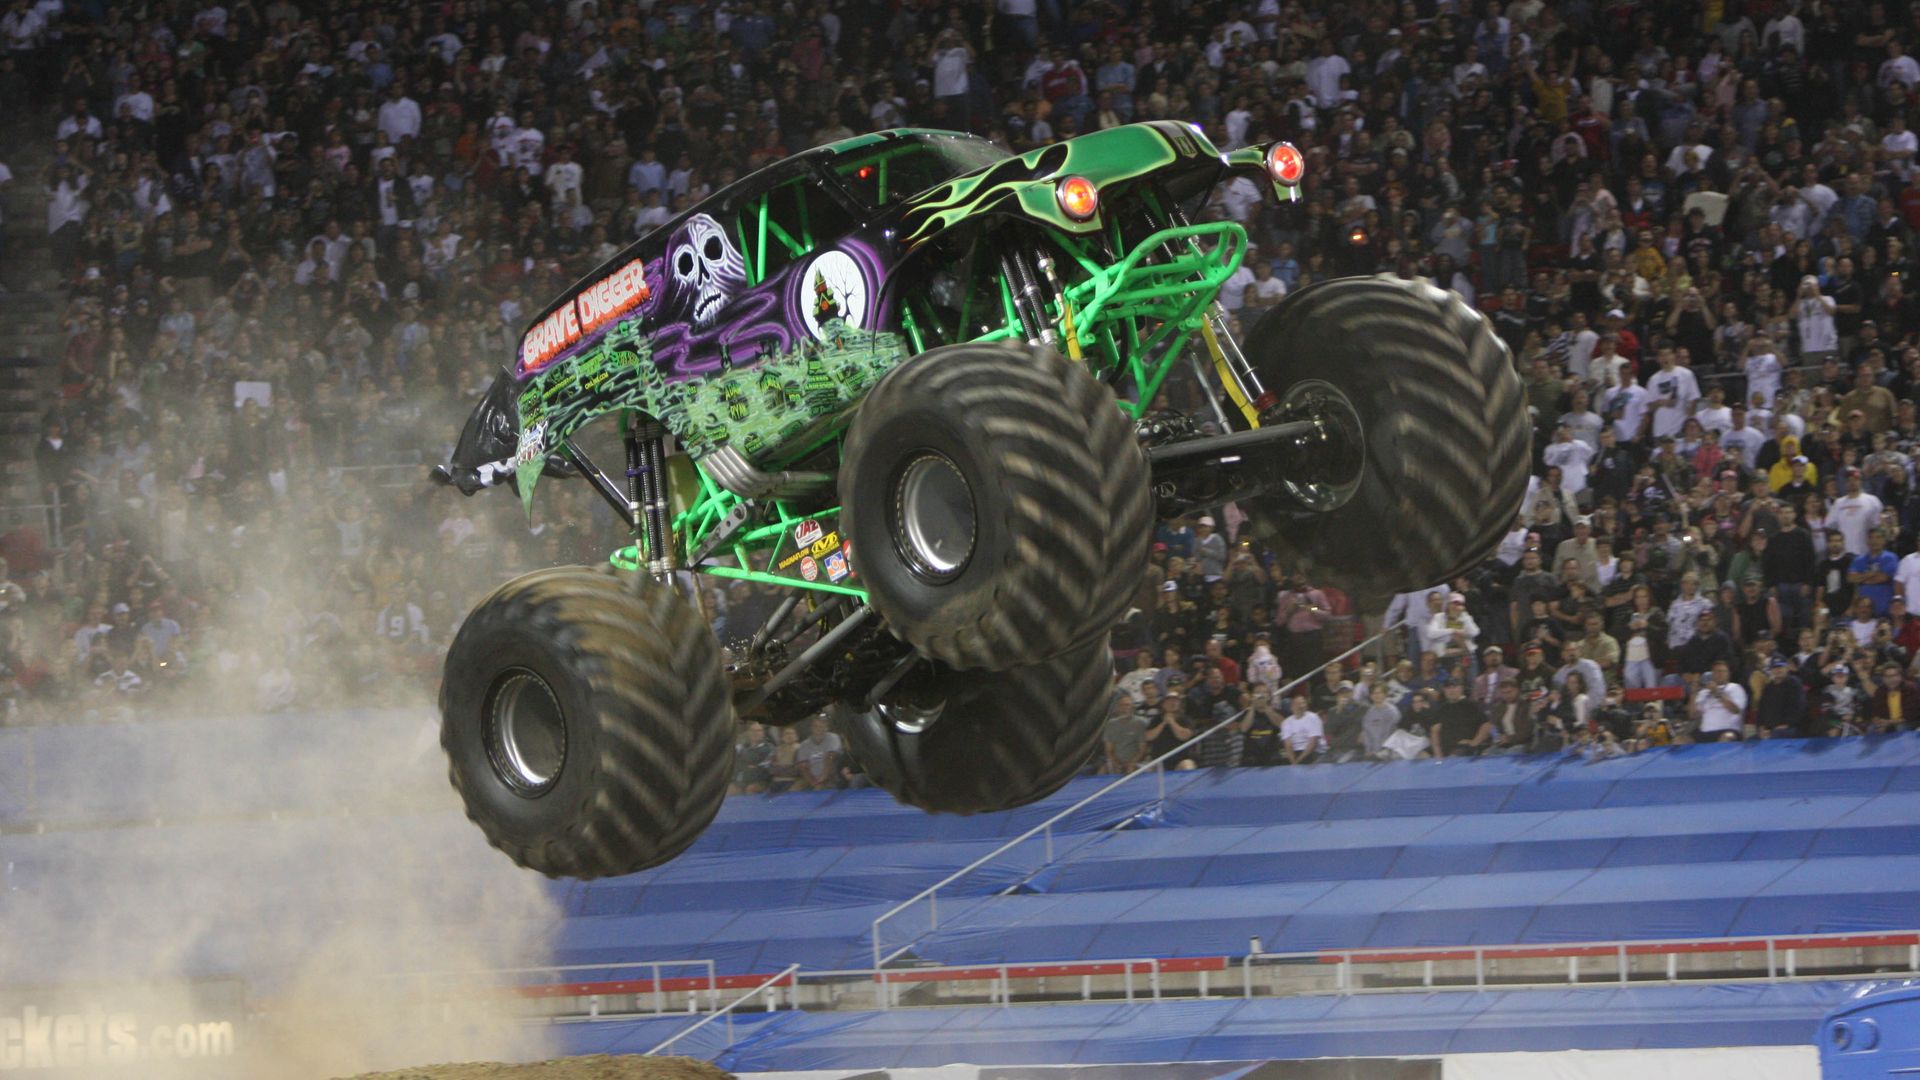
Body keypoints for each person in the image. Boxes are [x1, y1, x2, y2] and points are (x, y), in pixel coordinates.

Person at [1690, 659, 1748, 741]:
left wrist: (1717, 693)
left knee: (1727, 737)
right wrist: (1693, 692)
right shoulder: (1704, 692)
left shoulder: (1735, 688)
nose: (1719, 674)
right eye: (1716, 671)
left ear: (1728, 674)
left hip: (1728, 730)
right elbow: (1693, 715)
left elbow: (1736, 710)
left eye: (1722, 671)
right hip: (1704, 732)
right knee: (1680, 740)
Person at [1279, 693, 1327, 765]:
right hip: (1295, 752)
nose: (1301, 706)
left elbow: (1313, 743)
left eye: (1303, 703)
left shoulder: (1313, 718)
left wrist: (1298, 761)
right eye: (1297, 704)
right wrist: (1293, 761)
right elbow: (1288, 744)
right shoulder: (1286, 722)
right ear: (1292, 707)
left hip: (1313, 752)